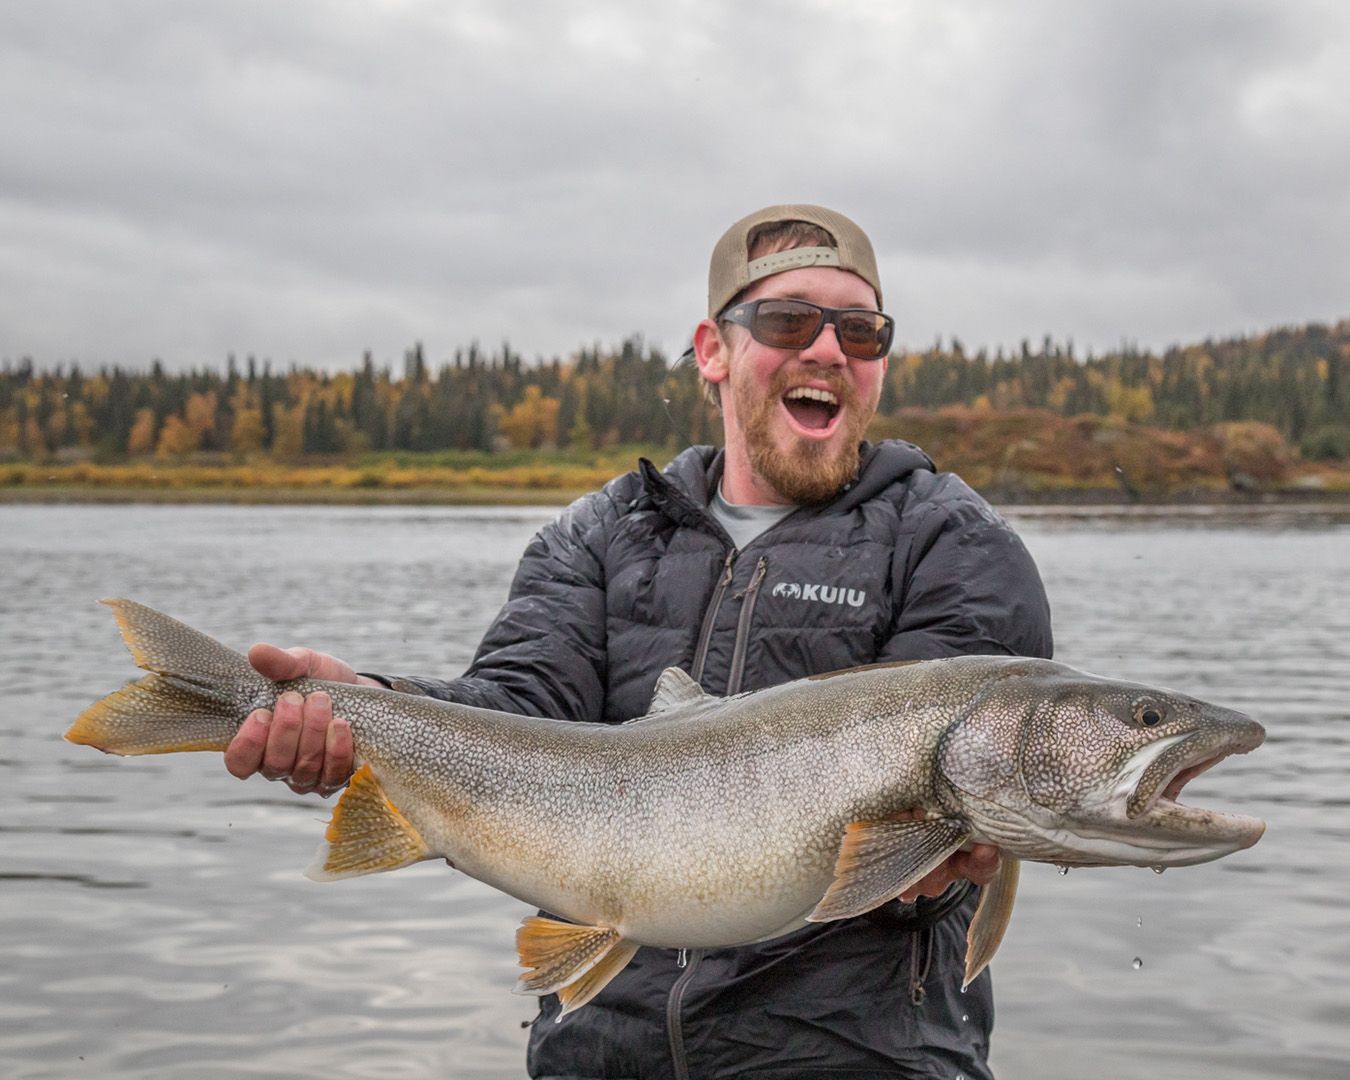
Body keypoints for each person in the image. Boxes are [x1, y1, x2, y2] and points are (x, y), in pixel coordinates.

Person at [224, 204, 1053, 1079]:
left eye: (861, 330)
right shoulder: (602, 534)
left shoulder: (955, 545)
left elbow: (957, 823)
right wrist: (370, 708)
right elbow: (515, 713)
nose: (827, 349)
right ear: (712, 349)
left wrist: (941, 860)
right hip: (599, 1053)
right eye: (787, 321)